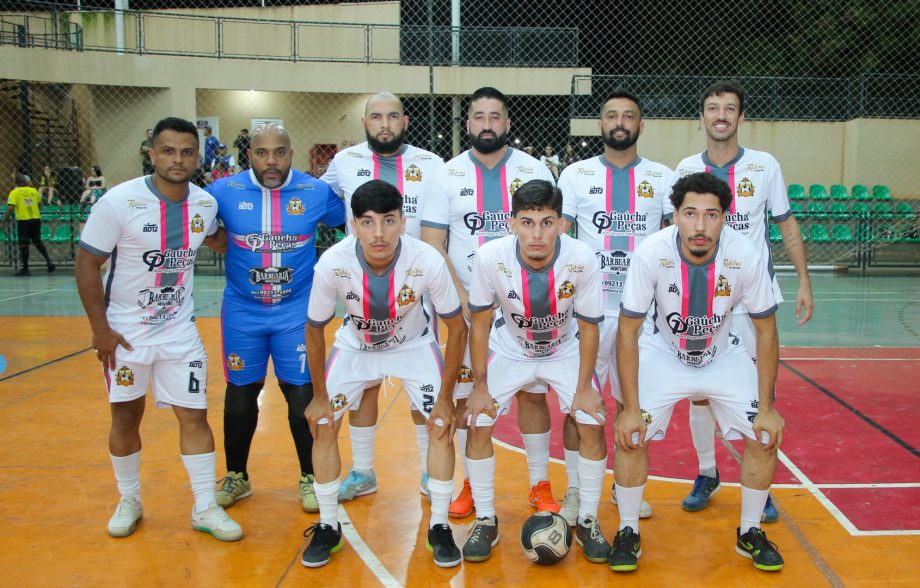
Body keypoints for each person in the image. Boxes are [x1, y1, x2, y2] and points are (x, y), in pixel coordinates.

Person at [73, 116, 242, 542]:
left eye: (187, 152)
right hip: (125, 335)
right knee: (126, 416)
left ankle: (205, 506)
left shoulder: (204, 205)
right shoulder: (118, 202)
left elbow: (219, 239)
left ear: (198, 157)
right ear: (152, 154)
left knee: (195, 415)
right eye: (168, 151)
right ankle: (129, 499)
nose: (177, 159)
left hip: (179, 333)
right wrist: (100, 330)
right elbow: (87, 263)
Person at [610, 171, 785, 573]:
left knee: (764, 434)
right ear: (674, 216)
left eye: (711, 214)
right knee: (632, 434)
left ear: (725, 218)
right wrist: (630, 408)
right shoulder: (651, 253)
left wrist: (768, 407)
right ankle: (628, 529)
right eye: (690, 213)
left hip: (722, 355)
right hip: (664, 354)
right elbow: (628, 330)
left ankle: (750, 531)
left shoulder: (745, 255)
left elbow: (766, 331)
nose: (700, 225)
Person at [301, 180, 468, 568]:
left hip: (413, 346)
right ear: (353, 226)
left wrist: (446, 398)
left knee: (441, 424)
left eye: (388, 221)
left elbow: (457, 327)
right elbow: (313, 329)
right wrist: (319, 395)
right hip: (355, 347)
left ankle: (439, 525)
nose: (379, 233)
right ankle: (328, 525)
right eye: (368, 222)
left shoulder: (426, 259)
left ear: (403, 223)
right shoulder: (333, 263)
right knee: (323, 424)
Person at [673, 81, 814, 521]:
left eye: (729, 108)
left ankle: (758, 483)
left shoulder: (764, 165)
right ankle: (707, 472)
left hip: (752, 301)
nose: (721, 115)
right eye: (713, 108)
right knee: (698, 390)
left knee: (758, 393)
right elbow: (672, 233)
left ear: (741, 117)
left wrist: (804, 281)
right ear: (701, 117)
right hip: (700, 299)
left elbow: (786, 224)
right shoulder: (685, 168)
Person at [421, 87, 559, 519]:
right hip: (470, 309)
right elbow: (432, 242)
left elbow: (551, 235)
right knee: (469, 399)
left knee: (532, 396)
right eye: (478, 116)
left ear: (508, 123)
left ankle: (540, 483)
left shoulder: (534, 169)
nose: (486, 124)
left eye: (494, 116)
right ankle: (470, 483)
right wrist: (463, 299)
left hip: (526, 308)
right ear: (468, 124)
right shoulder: (446, 175)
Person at [462, 179, 606, 563]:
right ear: (511, 223)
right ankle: (486, 519)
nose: (537, 234)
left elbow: (590, 326)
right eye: (527, 222)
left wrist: (584, 388)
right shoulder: (490, 258)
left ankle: (588, 519)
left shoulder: (582, 258)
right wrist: (479, 386)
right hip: (510, 348)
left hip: (565, 348)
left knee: (592, 420)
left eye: (546, 222)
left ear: (562, 224)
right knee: (478, 420)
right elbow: (479, 323)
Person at [205, 123, 346, 514]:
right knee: (239, 397)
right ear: (249, 155)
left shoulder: (315, 191)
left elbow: (352, 227)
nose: (271, 161)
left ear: (291, 154)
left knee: (301, 397)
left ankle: (309, 477)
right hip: (242, 310)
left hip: (296, 311)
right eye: (262, 152)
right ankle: (237, 476)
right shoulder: (222, 191)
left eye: (279, 152)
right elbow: (202, 229)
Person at [321, 91, 444, 503]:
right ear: (365, 122)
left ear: (405, 121)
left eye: (393, 116)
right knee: (365, 384)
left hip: (415, 288)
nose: (385, 124)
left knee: (420, 385)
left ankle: (429, 471)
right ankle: (363, 472)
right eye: (376, 116)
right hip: (361, 287)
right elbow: (318, 201)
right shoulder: (344, 161)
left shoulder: (431, 163)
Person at [557, 89, 672, 525]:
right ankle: (574, 488)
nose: (619, 122)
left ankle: (625, 486)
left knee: (632, 404)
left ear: (641, 125)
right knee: (579, 403)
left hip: (640, 315)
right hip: (588, 313)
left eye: (628, 116)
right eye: (611, 115)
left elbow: (672, 240)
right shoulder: (575, 175)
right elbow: (561, 237)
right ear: (600, 124)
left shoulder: (662, 177)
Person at [4, 173, 55, 276]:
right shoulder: (34, 191)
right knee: (38, 241)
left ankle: (25, 269)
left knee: (24, 244)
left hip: (23, 221)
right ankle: (49, 262)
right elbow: (39, 204)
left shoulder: (14, 192)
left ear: (16, 182)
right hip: (35, 220)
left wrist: (4, 221)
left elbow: (10, 208)